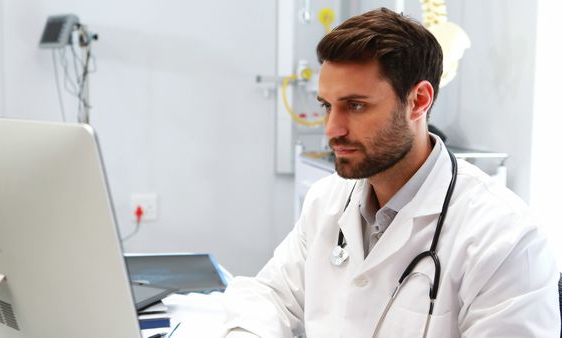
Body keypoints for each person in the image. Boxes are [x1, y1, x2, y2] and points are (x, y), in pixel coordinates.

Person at [222, 7, 560, 338]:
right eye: (327, 106)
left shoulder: (506, 240)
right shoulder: (326, 199)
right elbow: (271, 296)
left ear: (418, 101)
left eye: (355, 106)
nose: (332, 129)